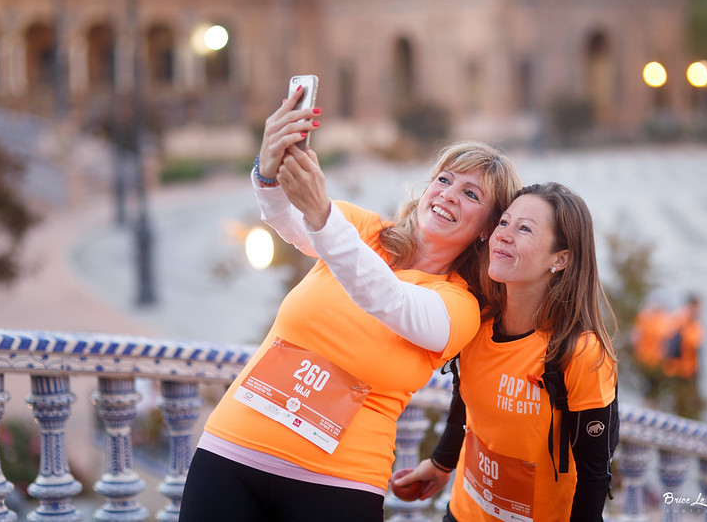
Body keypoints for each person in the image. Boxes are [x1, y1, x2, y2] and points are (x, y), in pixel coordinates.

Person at [178, 84, 522, 521]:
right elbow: (289, 219)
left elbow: (388, 298)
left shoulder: (460, 307)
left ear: (487, 230)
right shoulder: (363, 230)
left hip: (337, 485)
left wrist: (323, 217)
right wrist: (268, 171)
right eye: (445, 179)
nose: (450, 193)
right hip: (232, 452)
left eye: (472, 194)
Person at [391, 182, 619, 522]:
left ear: (560, 259)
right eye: (504, 223)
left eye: (524, 228)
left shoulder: (579, 353)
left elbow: (594, 475)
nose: (504, 235)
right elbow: (465, 403)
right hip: (461, 513)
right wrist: (441, 463)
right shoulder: (475, 322)